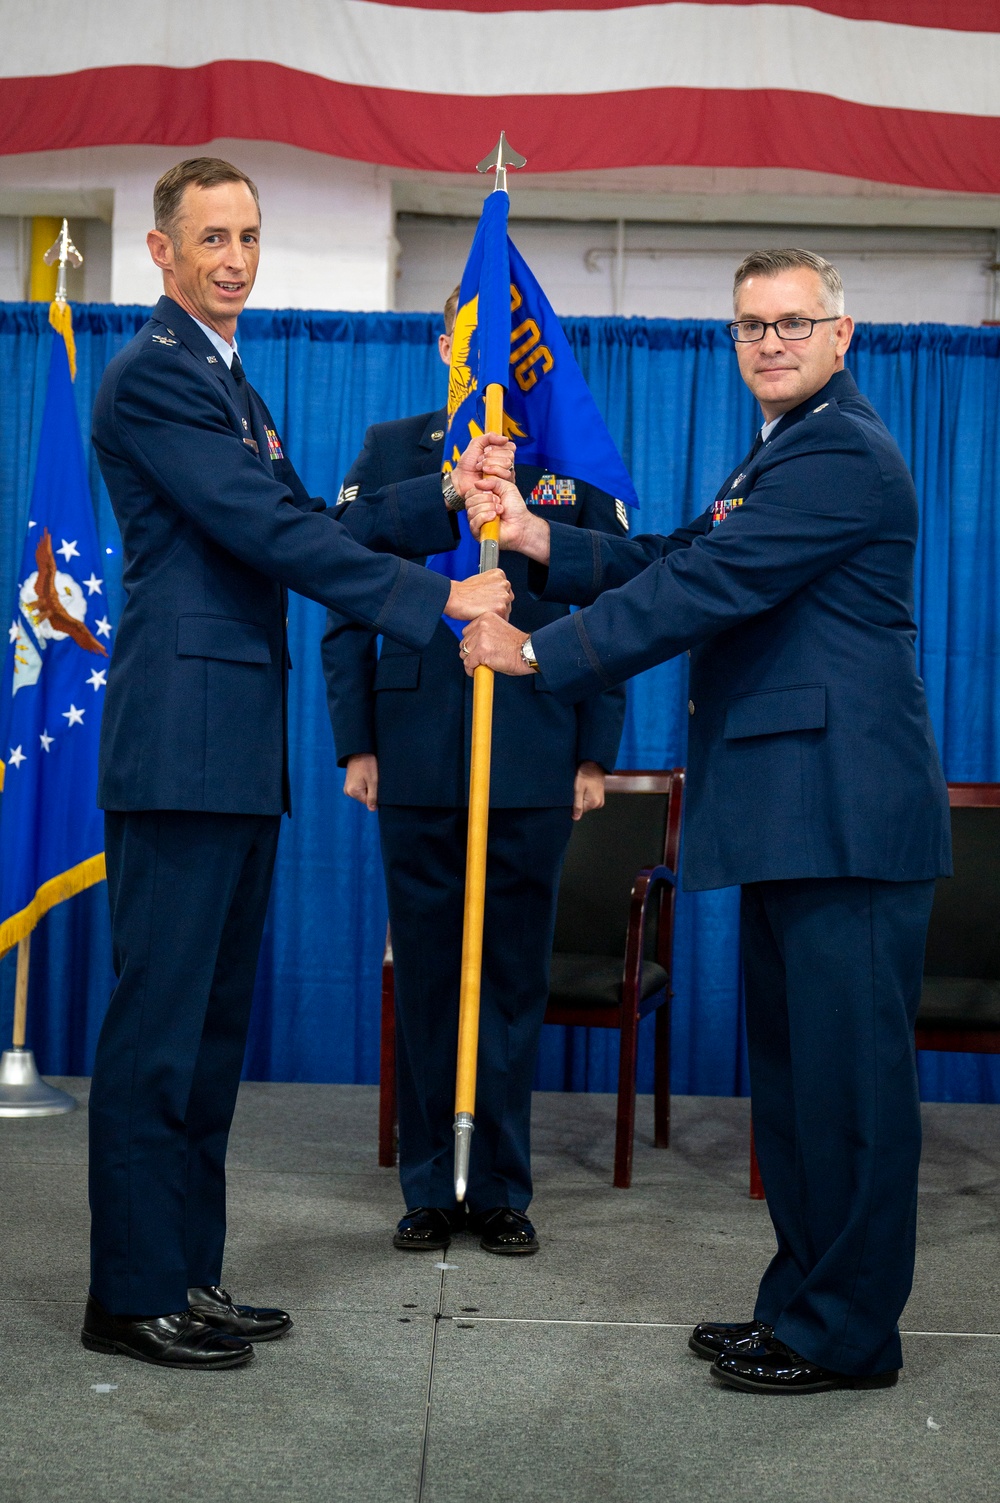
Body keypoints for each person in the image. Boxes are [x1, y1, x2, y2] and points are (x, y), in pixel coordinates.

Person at [459, 249, 952, 1393]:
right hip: (798, 817)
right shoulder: (784, 449)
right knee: (797, 1090)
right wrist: (539, 540)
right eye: (749, 326)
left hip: (844, 818)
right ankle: (801, 1310)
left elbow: (704, 590)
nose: (768, 342)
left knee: (849, 1094)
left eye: (792, 322)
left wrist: (539, 651)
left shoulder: (842, 452)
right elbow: (684, 553)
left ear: (844, 333)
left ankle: (847, 1336)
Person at [85, 157, 512, 1371]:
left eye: (250, 235)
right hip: (179, 745)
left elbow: (316, 520)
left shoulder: (229, 383)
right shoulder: (154, 381)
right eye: (210, 236)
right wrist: (436, 605)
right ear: (159, 253)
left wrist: (439, 493)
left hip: (231, 748)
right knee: (158, 1030)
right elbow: (268, 533)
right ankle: (127, 1295)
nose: (235, 257)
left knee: (212, 1037)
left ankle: (186, 1271)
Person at [321, 286, 628, 1257]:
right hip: (412, 750)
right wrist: (354, 739)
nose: (483, 358)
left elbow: (613, 612)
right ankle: (427, 1183)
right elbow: (341, 584)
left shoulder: (563, 458)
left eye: (500, 343)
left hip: (535, 748)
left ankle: (496, 1186)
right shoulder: (392, 450)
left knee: (508, 978)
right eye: (468, 339)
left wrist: (594, 752)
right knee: (426, 975)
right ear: (445, 346)